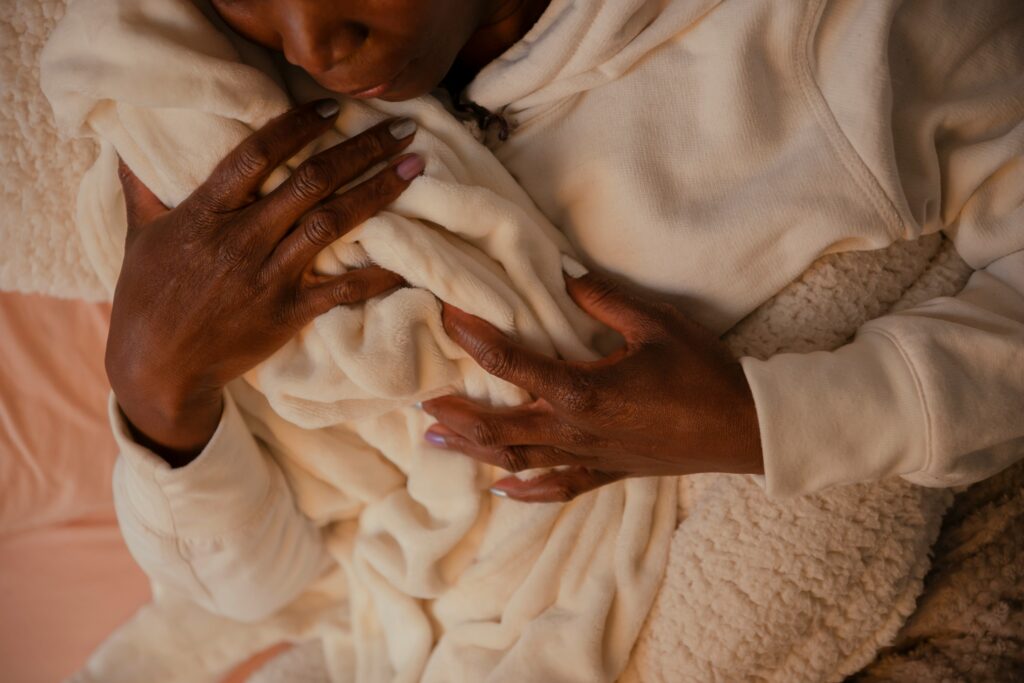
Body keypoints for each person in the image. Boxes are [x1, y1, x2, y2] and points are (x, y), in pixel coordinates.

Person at [106, 0, 1022, 644]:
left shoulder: (846, 37)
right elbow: (259, 587)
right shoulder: (208, 102)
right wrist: (155, 388)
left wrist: (761, 423)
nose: (313, 38)